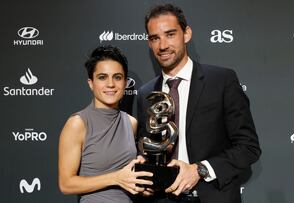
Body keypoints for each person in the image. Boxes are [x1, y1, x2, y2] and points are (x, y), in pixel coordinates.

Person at [136, 4, 261, 203]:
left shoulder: (221, 81)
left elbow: (248, 147)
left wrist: (199, 170)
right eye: (154, 38)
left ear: (187, 34)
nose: (162, 45)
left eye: (170, 34)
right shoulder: (146, 94)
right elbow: (148, 148)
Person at [58, 45, 153, 203]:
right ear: (91, 83)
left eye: (117, 77)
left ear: (125, 82)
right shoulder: (78, 123)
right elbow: (66, 184)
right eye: (102, 77)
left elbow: (128, 179)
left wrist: (142, 187)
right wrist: (116, 178)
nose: (111, 84)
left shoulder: (131, 123)